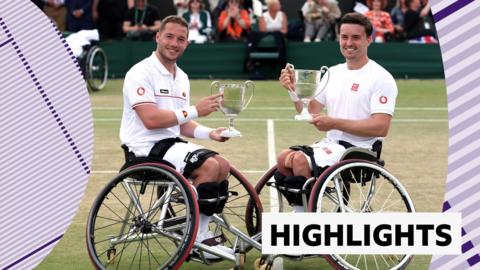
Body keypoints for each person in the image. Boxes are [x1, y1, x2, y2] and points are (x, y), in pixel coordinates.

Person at [119, 15, 233, 258]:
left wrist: (209, 133)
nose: (174, 43)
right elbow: (150, 120)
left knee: (223, 165)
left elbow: (181, 123)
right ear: (157, 37)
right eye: (169, 36)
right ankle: (197, 240)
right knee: (210, 167)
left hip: (171, 145)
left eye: (181, 39)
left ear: (186, 44)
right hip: (144, 148)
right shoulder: (139, 72)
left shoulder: (181, 77)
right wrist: (195, 110)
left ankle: (200, 234)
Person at [276, 12, 397, 212]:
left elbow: (381, 127)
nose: (349, 43)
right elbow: (310, 112)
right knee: (283, 158)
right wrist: (293, 91)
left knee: (298, 159)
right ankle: (307, 215)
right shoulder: (332, 72)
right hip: (332, 145)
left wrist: (334, 123)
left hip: (361, 149)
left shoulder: (381, 77)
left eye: (356, 37)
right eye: (344, 37)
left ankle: (304, 222)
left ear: (369, 39)